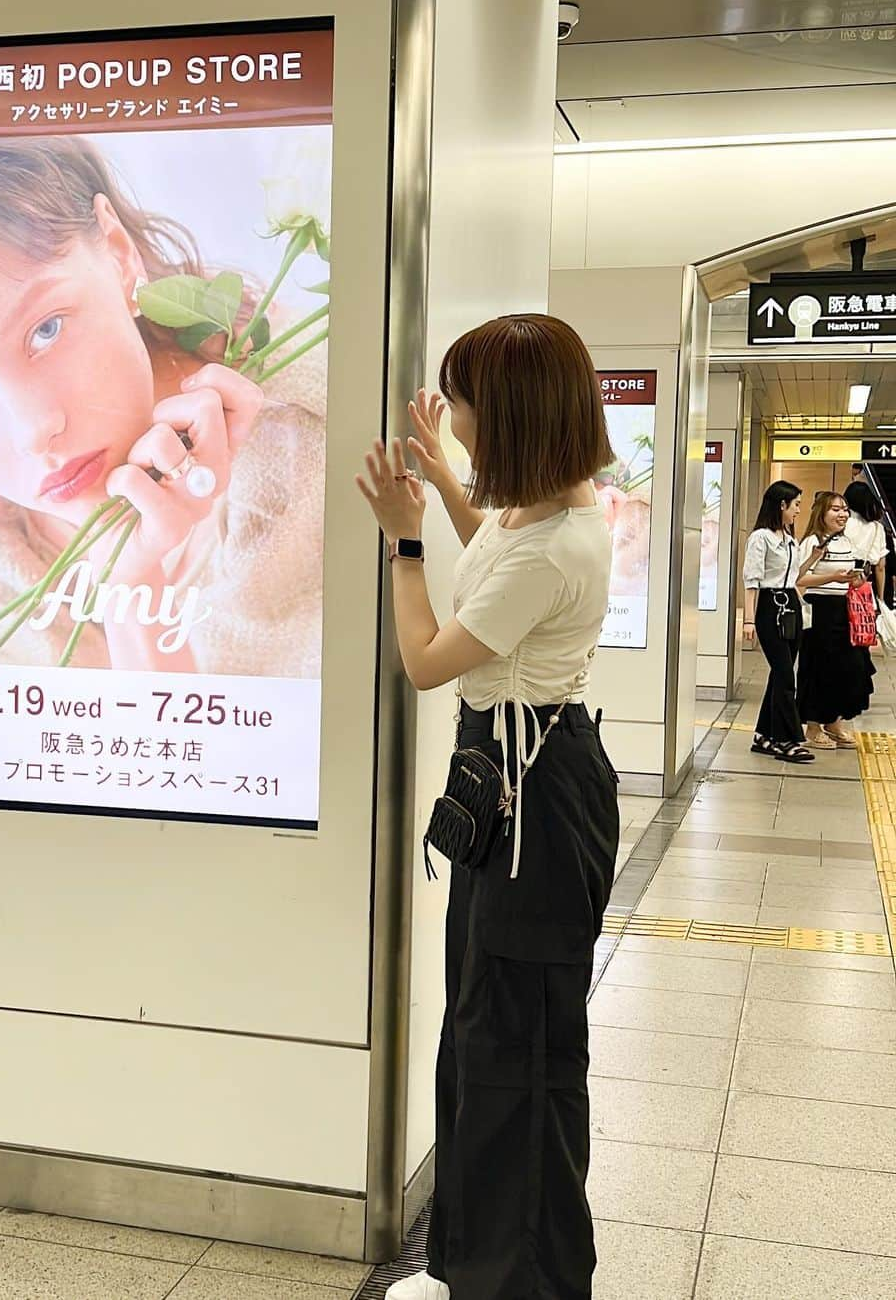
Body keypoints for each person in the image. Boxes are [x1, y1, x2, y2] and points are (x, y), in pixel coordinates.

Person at [357, 315, 619, 1300]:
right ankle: (468, 1262)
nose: (454, 413)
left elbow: (427, 660)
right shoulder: (537, 513)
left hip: (539, 808)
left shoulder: (556, 540)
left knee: (521, 1049)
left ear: (508, 410)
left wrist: (403, 543)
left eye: (461, 400)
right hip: (515, 786)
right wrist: (445, 485)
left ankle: (528, 1278)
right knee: (479, 1032)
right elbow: (495, 562)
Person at [0, 135, 325, 676]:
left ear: (116, 249)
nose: (33, 431)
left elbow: (233, 757)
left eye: (46, 329)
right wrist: (128, 580)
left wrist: (136, 594)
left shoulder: (299, 446)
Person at [742, 481, 830, 763]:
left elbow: (794, 577)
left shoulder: (789, 539)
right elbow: (752, 580)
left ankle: (763, 735)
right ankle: (785, 739)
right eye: (796, 505)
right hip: (770, 606)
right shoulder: (761, 538)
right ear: (781, 505)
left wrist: (813, 559)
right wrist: (749, 619)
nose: (798, 511)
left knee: (780, 673)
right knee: (784, 675)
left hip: (790, 604)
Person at [797, 491, 874, 748]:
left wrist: (856, 579)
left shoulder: (847, 542)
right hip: (820, 610)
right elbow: (797, 578)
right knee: (820, 667)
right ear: (822, 513)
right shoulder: (812, 542)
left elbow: (849, 577)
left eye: (844, 509)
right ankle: (813, 726)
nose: (842, 515)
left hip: (846, 610)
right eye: (835, 510)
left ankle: (834, 721)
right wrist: (831, 578)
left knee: (849, 667)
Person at [844, 480, 887, 603]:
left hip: (840, 579)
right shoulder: (877, 527)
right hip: (864, 582)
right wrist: (881, 599)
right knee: (860, 619)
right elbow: (880, 566)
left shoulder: (843, 523)